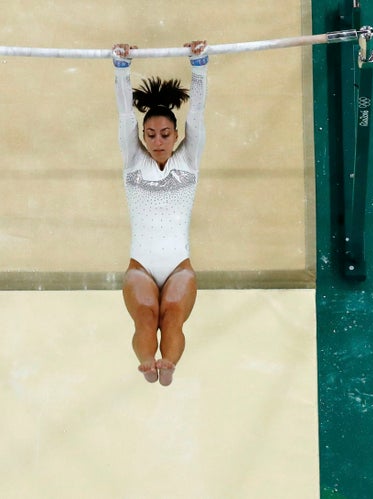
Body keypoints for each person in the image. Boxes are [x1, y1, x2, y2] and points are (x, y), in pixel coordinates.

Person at [112, 40, 209, 386]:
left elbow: (196, 114)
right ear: (142, 136)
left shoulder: (188, 159)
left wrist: (199, 66)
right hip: (141, 265)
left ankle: (167, 364)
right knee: (144, 317)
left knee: (172, 319)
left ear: (176, 134)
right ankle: (147, 363)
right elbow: (125, 116)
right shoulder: (133, 160)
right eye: (150, 134)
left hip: (178, 265)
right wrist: (120, 70)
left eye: (165, 134)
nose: (157, 140)